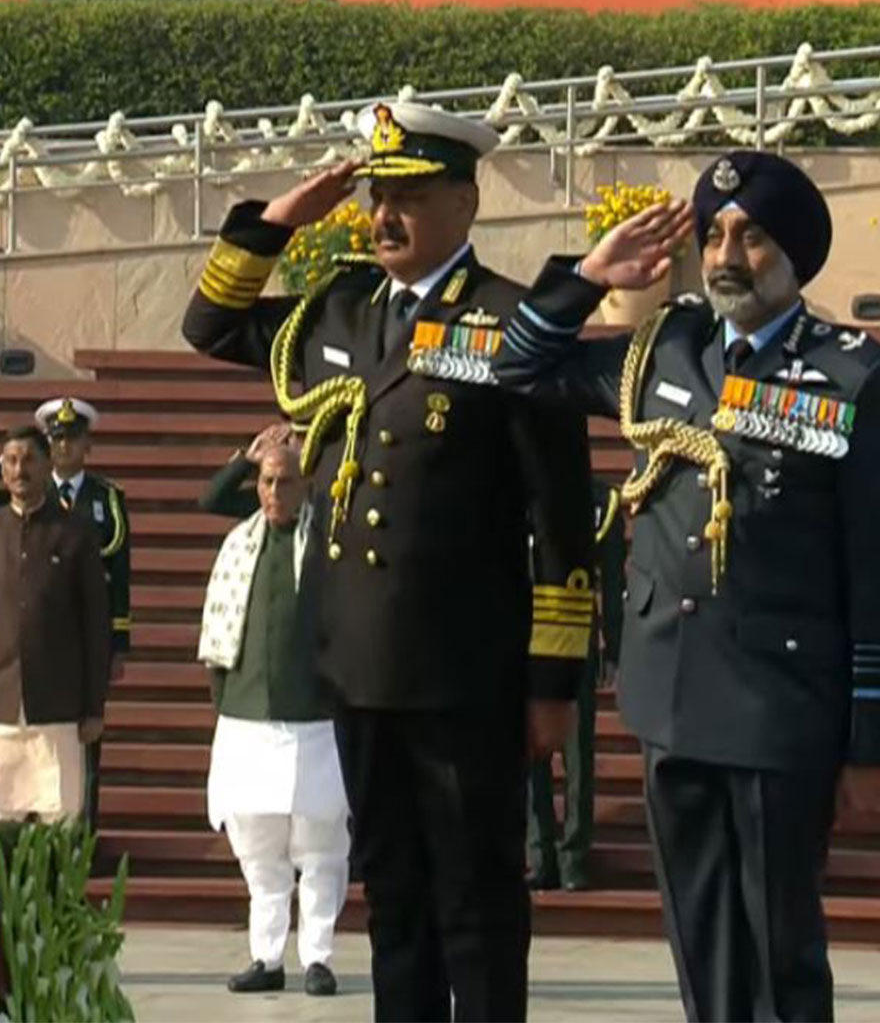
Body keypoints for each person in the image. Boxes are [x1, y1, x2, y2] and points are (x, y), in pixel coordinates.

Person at [182, 101, 596, 1022]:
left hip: (463, 676)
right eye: (374, 194)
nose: (383, 216)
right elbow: (210, 324)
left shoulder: (511, 320)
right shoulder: (342, 310)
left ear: (465, 202)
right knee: (395, 898)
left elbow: (561, 522)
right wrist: (282, 218)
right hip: (356, 667)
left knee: (477, 904)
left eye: (407, 195)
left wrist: (553, 685)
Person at [494, 149, 880, 1022]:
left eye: (749, 237)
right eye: (713, 236)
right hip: (670, 698)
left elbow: (871, 568)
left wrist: (867, 741)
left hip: (781, 710)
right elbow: (521, 367)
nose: (726, 256)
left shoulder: (851, 377)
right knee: (702, 954)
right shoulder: (665, 348)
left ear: (793, 254)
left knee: (779, 958)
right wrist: (591, 275)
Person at [199, 436, 349, 998]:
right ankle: (266, 955)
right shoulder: (244, 539)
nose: (273, 492)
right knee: (259, 850)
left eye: (285, 480)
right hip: (247, 717)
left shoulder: (327, 539)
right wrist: (245, 456)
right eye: (265, 481)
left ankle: (318, 957)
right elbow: (211, 499)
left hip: (315, 720)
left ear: (307, 484)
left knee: (320, 847)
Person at [0, 395, 130, 829]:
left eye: (29, 460)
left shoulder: (78, 530)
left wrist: (94, 708)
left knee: (61, 818)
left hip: (58, 702)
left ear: (46, 462)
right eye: (10, 461)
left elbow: (95, 623)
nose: (19, 470)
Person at [526, 476, 627, 892]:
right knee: (531, 750)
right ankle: (540, 853)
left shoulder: (603, 500)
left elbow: (614, 579)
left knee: (578, 751)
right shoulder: (522, 490)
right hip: (527, 632)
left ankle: (574, 856)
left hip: (574, 632)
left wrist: (615, 646)